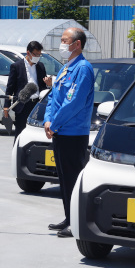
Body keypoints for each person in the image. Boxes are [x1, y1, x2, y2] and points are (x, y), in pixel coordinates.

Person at [43, 28, 94, 238]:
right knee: (64, 178)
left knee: (73, 178)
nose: (61, 45)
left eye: (65, 41)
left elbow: (73, 103)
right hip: (60, 131)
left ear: (77, 44)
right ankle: (69, 216)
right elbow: (54, 96)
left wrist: (54, 124)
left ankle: (77, 222)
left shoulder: (83, 68)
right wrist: (47, 120)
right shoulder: (67, 67)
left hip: (73, 133)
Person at [4, 41, 52, 141]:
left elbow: (42, 86)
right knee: (20, 133)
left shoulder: (40, 66)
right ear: (28, 52)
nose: (37, 57)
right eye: (35, 54)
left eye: (39, 55)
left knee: (37, 133)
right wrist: (6, 106)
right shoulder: (16, 66)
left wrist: (48, 84)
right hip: (22, 104)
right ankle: (18, 154)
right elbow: (10, 87)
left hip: (37, 105)